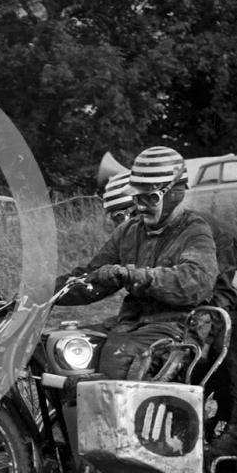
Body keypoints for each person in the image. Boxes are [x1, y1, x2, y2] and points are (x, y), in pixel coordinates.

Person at [56, 146, 219, 381]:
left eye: (150, 197)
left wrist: (133, 276)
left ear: (175, 193)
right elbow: (90, 276)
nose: (140, 206)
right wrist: (41, 294)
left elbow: (195, 282)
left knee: (118, 357)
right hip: (133, 323)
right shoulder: (128, 231)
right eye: (136, 197)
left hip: (177, 325)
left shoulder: (195, 231)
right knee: (64, 346)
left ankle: (119, 416)